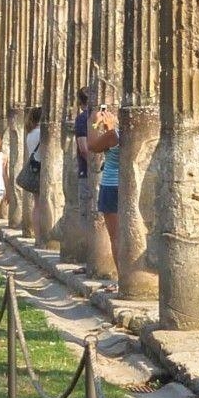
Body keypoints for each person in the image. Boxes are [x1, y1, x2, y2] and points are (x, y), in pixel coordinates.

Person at [86, 106, 122, 287]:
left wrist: (93, 123)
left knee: (116, 237)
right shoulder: (118, 134)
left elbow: (91, 146)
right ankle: (123, 277)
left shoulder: (113, 135)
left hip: (110, 185)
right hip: (124, 186)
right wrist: (109, 127)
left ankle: (122, 278)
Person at [72, 89, 91, 184]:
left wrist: (93, 166)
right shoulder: (101, 116)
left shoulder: (82, 118)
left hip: (87, 171)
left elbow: (83, 149)